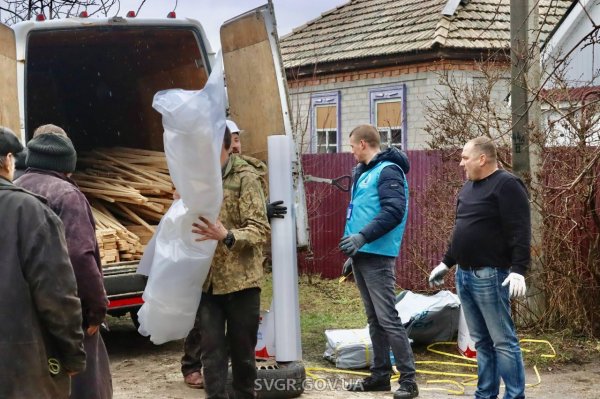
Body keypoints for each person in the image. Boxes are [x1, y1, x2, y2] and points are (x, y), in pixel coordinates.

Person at [180, 119, 284, 389]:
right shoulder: (199, 177)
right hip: (208, 283)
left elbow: (260, 229)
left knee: (242, 357)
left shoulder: (245, 177)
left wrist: (227, 235)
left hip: (241, 283)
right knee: (212, 354)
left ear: (225, 147)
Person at [15, 124, 113, 399]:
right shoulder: (67, 195)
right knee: (86, 385)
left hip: (29, 314)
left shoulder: (16, 190)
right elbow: (80, 257)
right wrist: (96, 310)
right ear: (67, 163)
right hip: (70, 313)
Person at [428, 137, 529, 399]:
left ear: (482, 159)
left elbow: (520, 229)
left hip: (490, 275)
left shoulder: (507, 185)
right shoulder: (468, 188)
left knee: (503, 342)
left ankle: (515, 396)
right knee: (482, 342)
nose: (461, 163)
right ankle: (485, 394)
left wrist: (518, 268)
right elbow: (461, 229)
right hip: (464, 275)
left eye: (465, 158)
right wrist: (446, 262)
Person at [0, 126, 86, 399]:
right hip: (20, 367)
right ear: (8, 159)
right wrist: (72, 355)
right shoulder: (29, 212)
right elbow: (57, 295)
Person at [340, 125, 418, 399]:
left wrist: (362, 238)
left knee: (388, 318)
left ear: (363, 143)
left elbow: (393, 212)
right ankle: (380, 375)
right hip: (363, 254)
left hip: (378, 255)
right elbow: (362, 212)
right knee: (374, 319)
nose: (350, 152)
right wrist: (354, 252)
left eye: (351, 146)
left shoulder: (387, 171)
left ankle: (408, 380)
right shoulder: (366, 172)